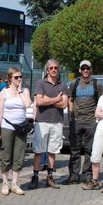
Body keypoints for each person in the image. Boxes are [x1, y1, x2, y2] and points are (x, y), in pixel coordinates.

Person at [63, 60, 103, 189]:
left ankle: (87, 176)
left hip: (91, 122)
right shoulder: (75, 83)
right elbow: (70, 99)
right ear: (80, 70)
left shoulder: (97, 84)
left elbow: (101, 101)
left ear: (91, 69)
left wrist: (97, 116)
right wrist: (70, 115)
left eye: (87, 68)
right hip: (76, 121)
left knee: (89, 150)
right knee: (74, 150)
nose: (85, 70)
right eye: (83, 68)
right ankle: (74, 176)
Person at [29, 59, 68, 189]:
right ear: (47, 70)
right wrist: (56, 99)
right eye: (51, 68)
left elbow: (64, 104)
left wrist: (48, 100)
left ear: (58, 69)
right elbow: (38, 101)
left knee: (52, 151)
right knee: (38, 151)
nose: (53, 70)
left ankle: (50, 178)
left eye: (56, 68)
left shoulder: (63, 85)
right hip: (42, 122)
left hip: (57, 122)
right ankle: (35, 177)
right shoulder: (41, 83)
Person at [0, 68, 31, 195]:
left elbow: (27, 104)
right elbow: (0, 112)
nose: (19, 79)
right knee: (6, 155)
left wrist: (19, 91)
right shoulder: (4, 92)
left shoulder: (24, 91)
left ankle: (15, 183)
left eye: (20, 77)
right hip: (7, 127)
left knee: (19, 156)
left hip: (21, 127)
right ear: (10, 79)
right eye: (16, 77)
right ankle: (5, 183)